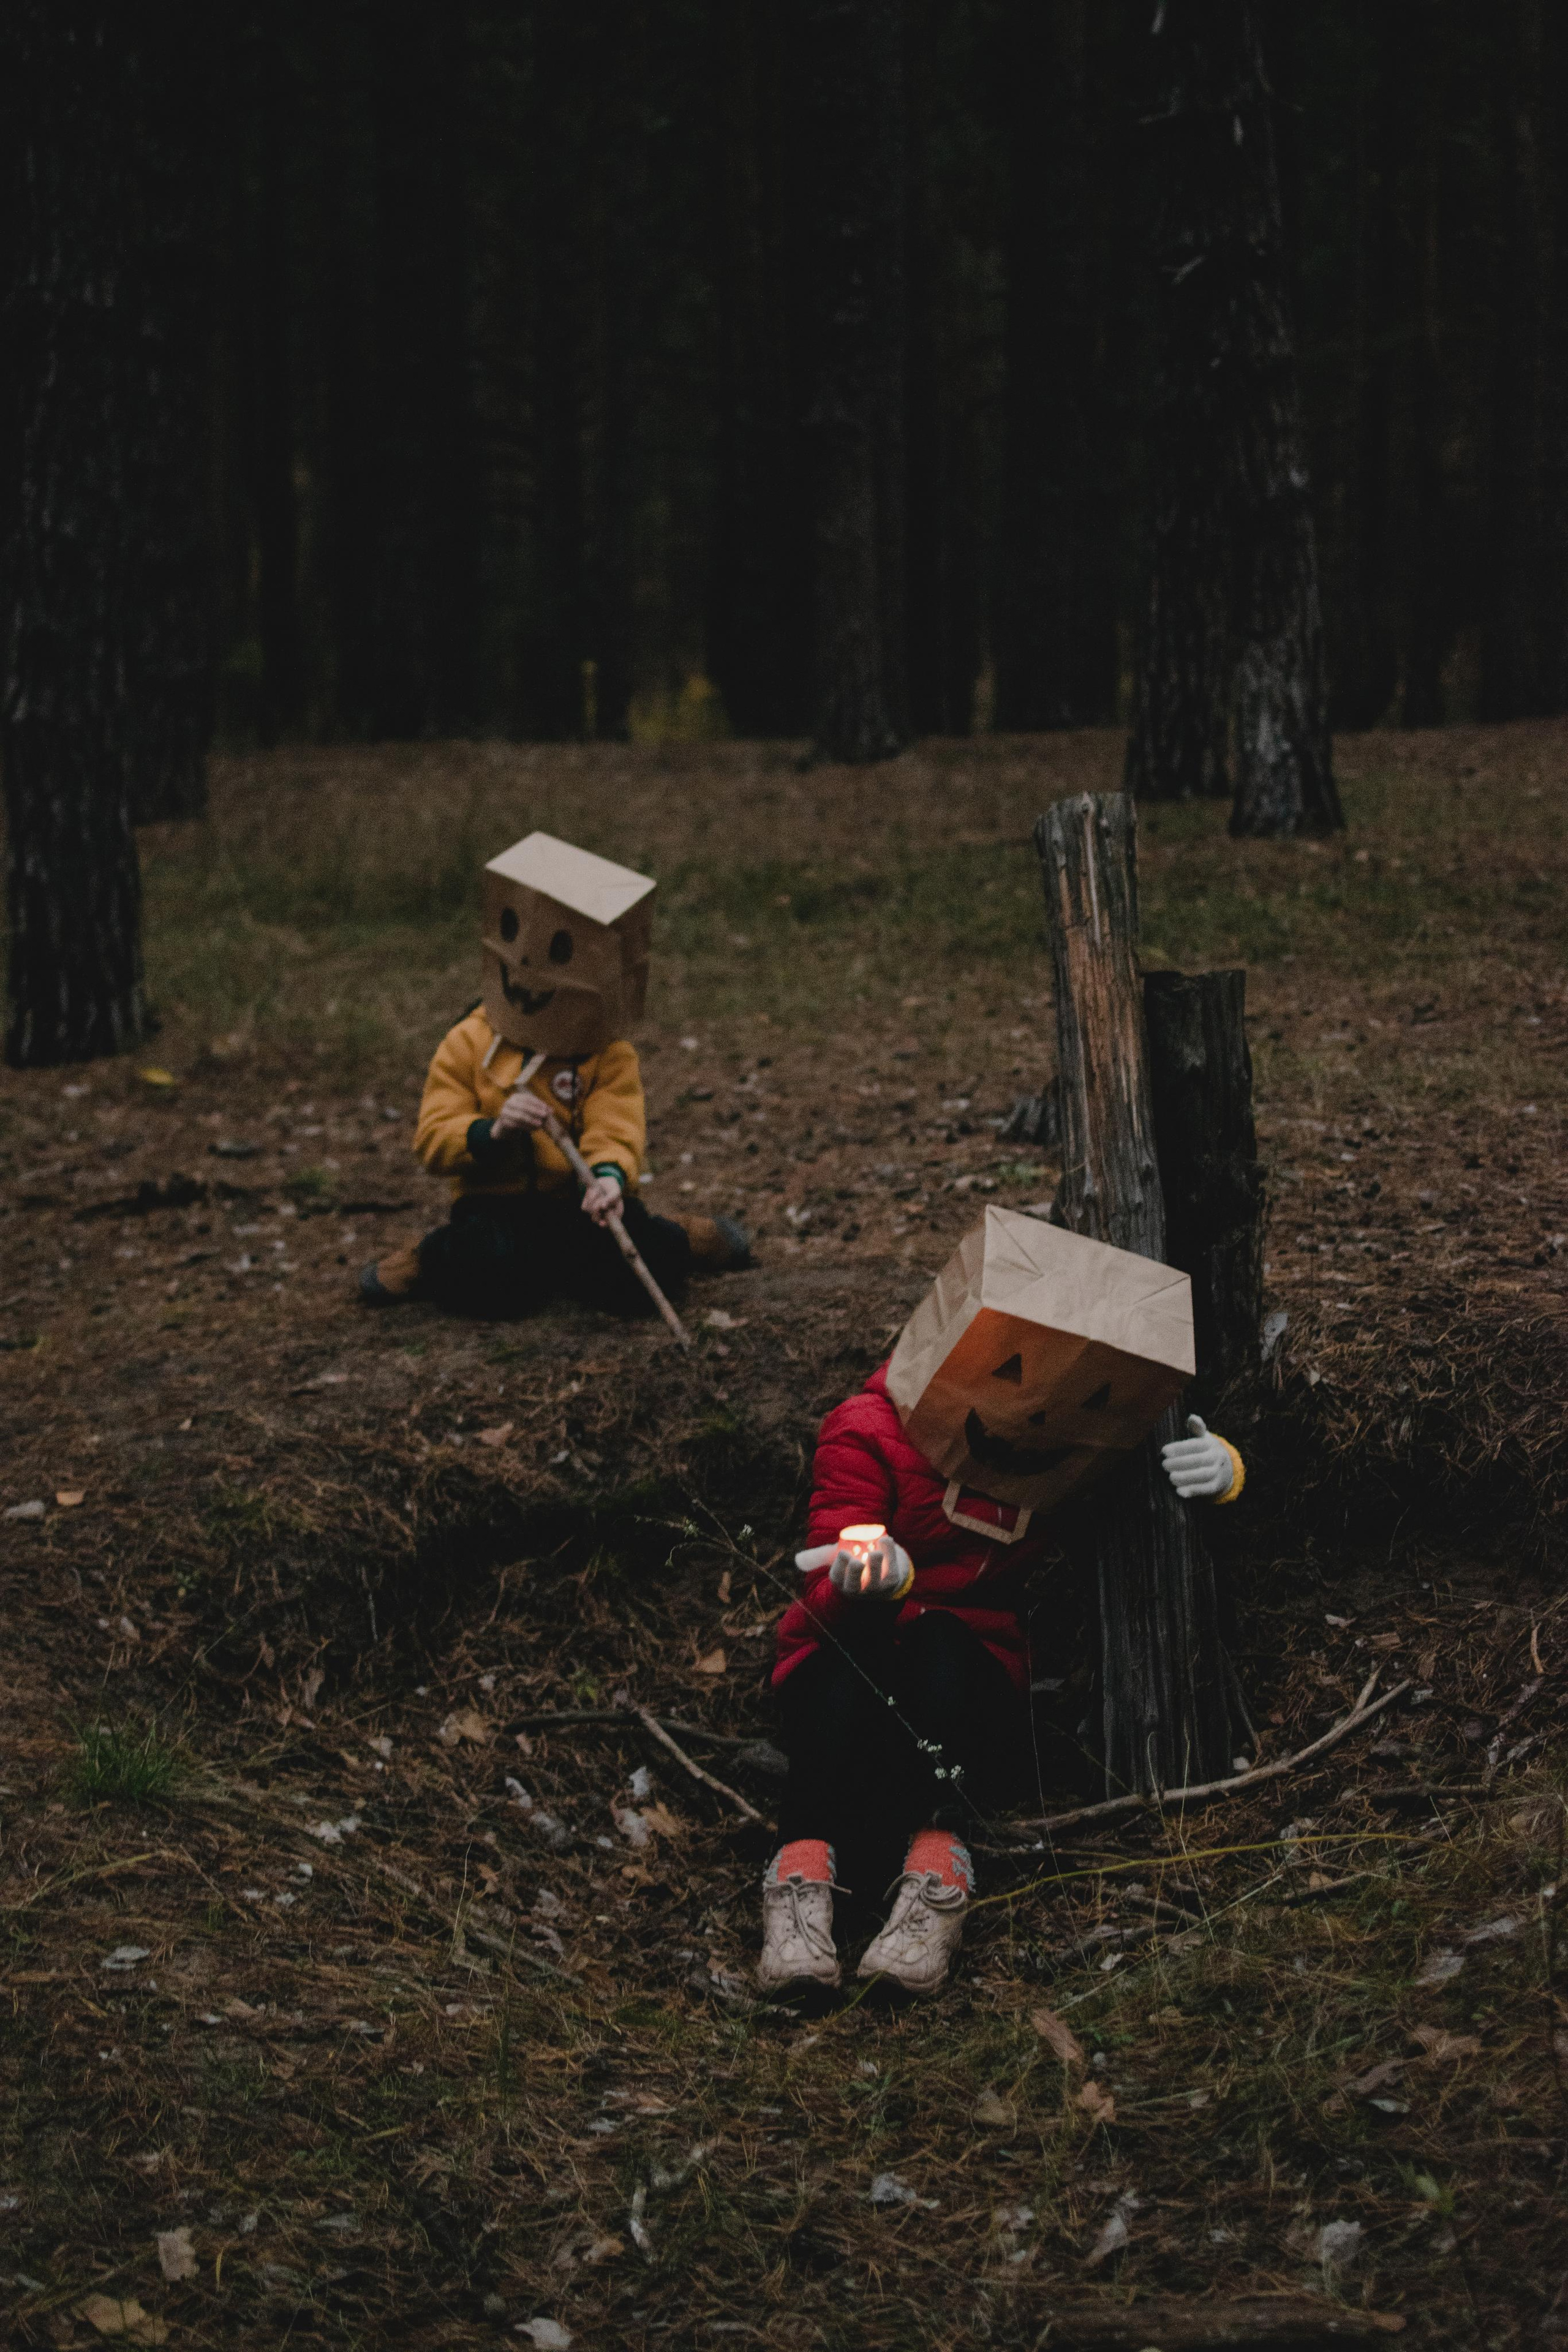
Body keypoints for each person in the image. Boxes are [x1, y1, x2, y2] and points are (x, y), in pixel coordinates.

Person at [758, 1365, 1243, 1999]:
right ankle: (799, 1882)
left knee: (942, 1639)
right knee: (850, 1659)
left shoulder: (1057, 1441)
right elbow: (823, 1582)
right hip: (847, 1677)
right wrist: (858, 1584)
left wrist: (1224, 1474)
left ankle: (934, 1882)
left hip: (962, 1675)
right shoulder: (866, 1428)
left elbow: (1128, 1494)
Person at [360, 829, 748, 1317]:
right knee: (493, 1283)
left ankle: (684, 1239)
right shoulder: (469, 1040)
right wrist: (491, 1131)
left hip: (579, 1207)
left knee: (636, 1278)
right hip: (492, 1210)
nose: (527, 971)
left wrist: (607, 1178)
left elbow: (616, 1126)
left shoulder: (607, 1053)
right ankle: (431, 1257)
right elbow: (434, 1138)